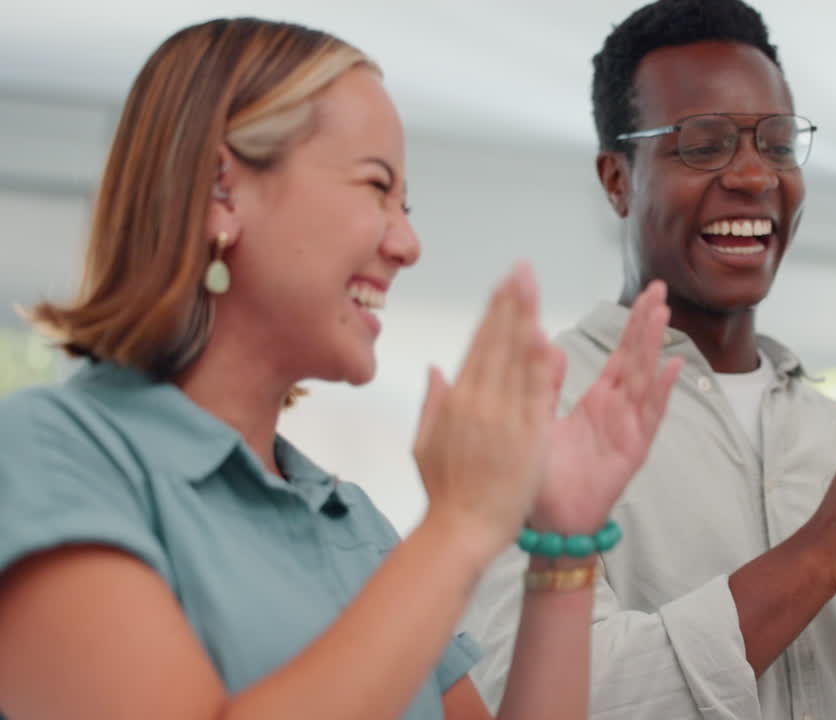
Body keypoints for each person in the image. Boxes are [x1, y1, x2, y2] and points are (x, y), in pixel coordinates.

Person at [0, 17, 682, 720]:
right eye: (376, 187)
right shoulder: (47, 451)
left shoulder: (350, 523)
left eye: (404, 203)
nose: (409, 243)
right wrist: (460, 524)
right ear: (221, 192)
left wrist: (563, 548)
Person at [461, 1, 836, 717]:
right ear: (616, 179)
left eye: (779, 144)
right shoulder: (531, 413)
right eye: (704, 143)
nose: (756, 177)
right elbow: (524, 697)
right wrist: (818, 556)